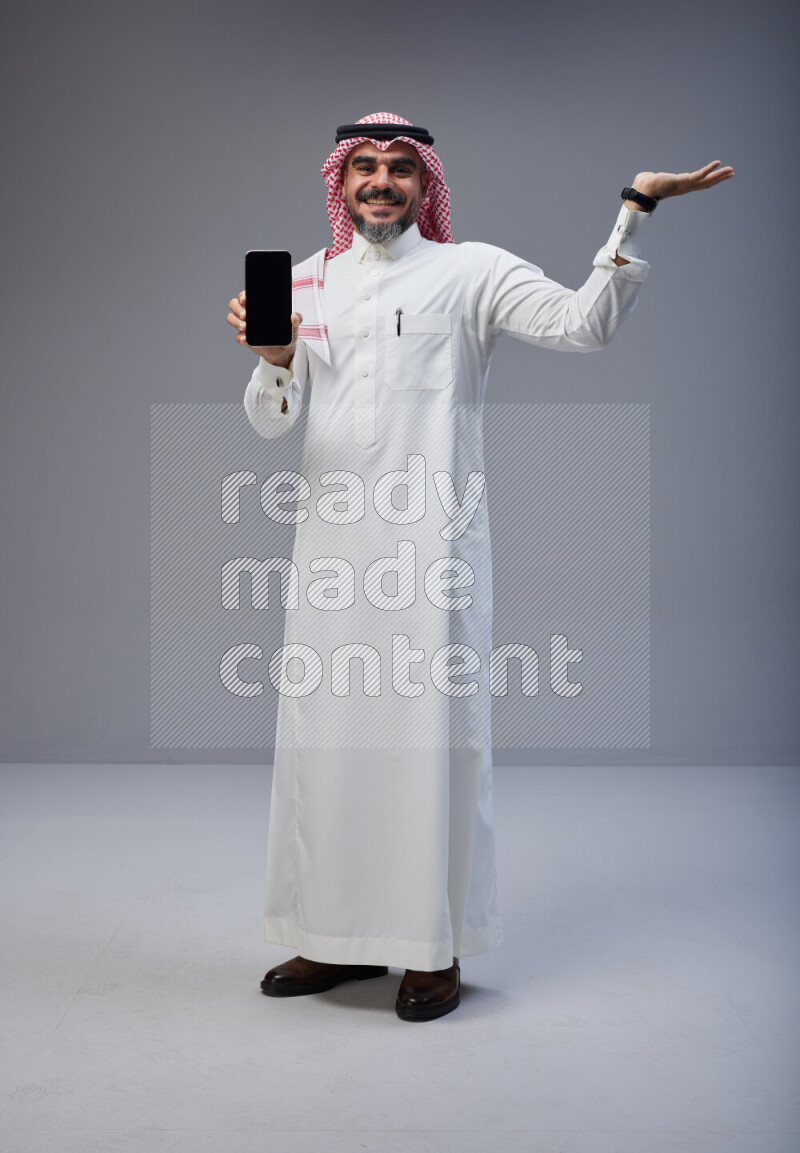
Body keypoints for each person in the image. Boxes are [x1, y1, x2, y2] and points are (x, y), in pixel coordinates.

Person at [226, 113, 733, 1022]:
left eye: (400, 170)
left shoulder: (473, 271)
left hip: (432, 554)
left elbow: (586, 327)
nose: (381, 182)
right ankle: (330, 935)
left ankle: (431, 948)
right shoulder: (305, 280)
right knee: (326, 740)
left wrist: (636, 211)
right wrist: (273, 359)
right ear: (340, 185)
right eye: (365, 169)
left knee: (428, 746)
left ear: (426, 186)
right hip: (333, 556)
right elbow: (270, 421)